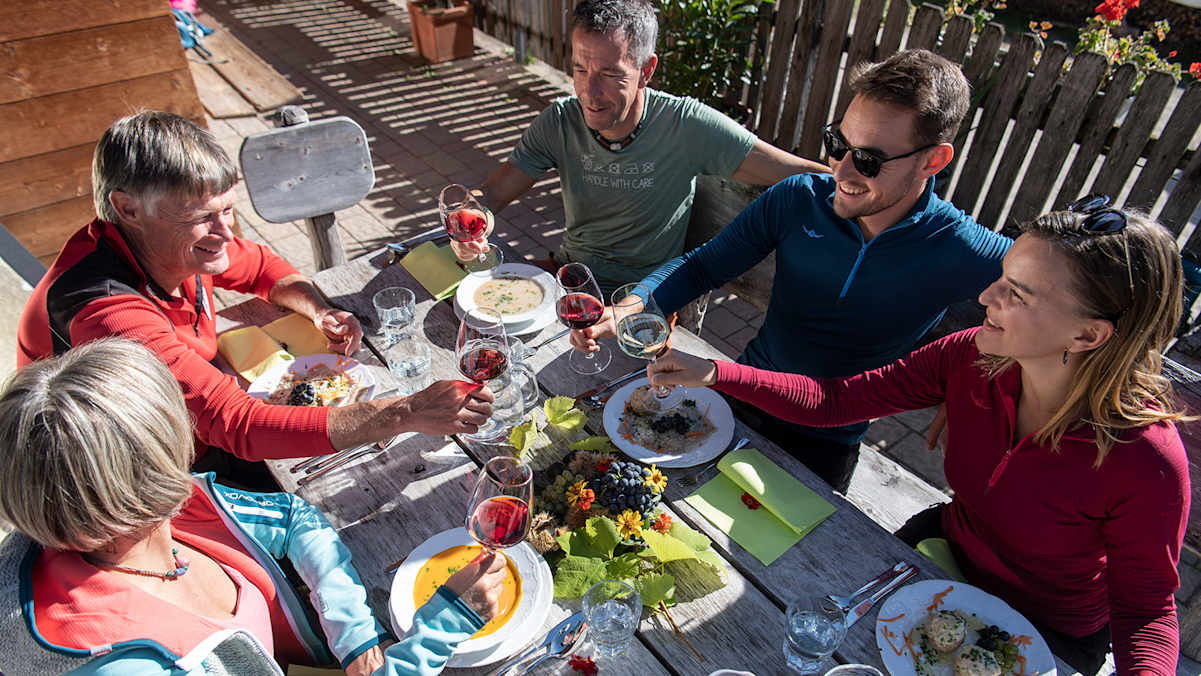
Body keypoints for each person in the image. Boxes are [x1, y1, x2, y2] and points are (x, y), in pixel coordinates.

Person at [646, 202, 1191, 676]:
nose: (986, 295)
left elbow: (1146, 612)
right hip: (941, 558)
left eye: (1016, 293)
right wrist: (717, 373)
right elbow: (837, 401)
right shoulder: (972, 356)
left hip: (1049, 631)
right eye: (1001, 276)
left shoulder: (1146, 460)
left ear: (1088, 334)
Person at [573, 48, 1013, 492]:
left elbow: (1066, 310)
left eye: (868, 161)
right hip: (740, 398)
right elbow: (702, 266)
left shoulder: (961, 246)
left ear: (932, 161)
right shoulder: (800, 197)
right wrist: (633, 305)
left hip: (829, 440)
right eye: (838, 144)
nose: (840, 170)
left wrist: (980, 383)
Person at [16, 111, 492, 475]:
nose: (225, 232)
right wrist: (407, 411)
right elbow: (236, 425)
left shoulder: (160, 242)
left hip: (190, 429)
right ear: (129, 209)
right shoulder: (105, 312)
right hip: (128, 474)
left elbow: (261, 266)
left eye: (228, 211)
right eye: (204, 216)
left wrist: (319, 309)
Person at [0, 338, 506, 676]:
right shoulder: (137, 663)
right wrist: (442, 628)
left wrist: (351, 632)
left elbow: (292, 517)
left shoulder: (154, 507)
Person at [452, 0, 828, 292]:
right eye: (580, 70)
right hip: (571, 278)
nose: (588, 91)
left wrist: (863, 178)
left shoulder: (686, 125)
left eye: (610, 74)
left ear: (646, 71)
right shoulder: (560, 121)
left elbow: (795, 171)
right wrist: (468, 228)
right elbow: (492, 193)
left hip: (645, 297)